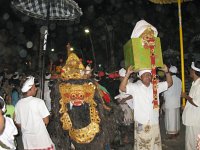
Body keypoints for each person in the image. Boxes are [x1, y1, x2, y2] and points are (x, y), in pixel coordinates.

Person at [119, 64, 172, 150]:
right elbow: (122, 88)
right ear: (140, 77)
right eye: (145, 75)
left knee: (154, 145)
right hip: (141, 122)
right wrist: (127, 74)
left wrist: (167, 72)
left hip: (154, 121)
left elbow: (169, 83)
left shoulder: (155, 86)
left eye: (149, 75)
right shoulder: (135, 87)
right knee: (142, 146)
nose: (148, 77)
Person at [14, 76, 55, 150]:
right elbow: (46, 121)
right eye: (34, 87)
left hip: (27, 139)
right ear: (29, 90)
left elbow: (18, 123)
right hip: (40, 138)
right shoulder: (39, 102)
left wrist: (28, 127)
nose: (36, 89)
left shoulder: (18, 104)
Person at [182, 61, 200, 150]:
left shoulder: (199, 85)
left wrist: (186, 96)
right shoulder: (195, 83)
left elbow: (196, 103)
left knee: (194, 143)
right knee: (190, 141)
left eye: (190, 69)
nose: (189, 71)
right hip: (191, 118)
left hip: (195, 120)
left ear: (194, 71)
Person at [163, 66, 182, 139]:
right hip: (177, 102)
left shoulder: (168, 80)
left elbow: (165, 92)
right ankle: (176, 132)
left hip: (170, 102)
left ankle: (172, 134)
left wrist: (164, 99)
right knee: (176, 118)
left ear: (170, 72)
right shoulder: (179, 80)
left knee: (171, 119)